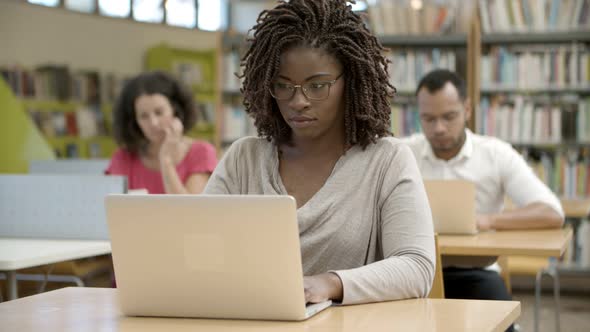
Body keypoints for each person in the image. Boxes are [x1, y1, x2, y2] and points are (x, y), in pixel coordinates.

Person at [203, 0, 435, 305]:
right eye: (283, 86)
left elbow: (416, 268)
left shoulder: (387, 160)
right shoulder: (243, 159)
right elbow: (198, 247)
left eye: (317, 86)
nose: (298, 101)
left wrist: (331, 283)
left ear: (349, 81)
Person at [402, 69, 564, 329]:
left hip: (477, 273)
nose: (439, 128)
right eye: (428, 119)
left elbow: (552, 213)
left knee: (500, 322)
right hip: (412, 272)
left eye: (449, 116)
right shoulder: (403, 153)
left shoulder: (496, 154)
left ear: (467, 109)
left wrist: (487, 219)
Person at [106, 71, 217, 194]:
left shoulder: (201, 152)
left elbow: (189, 210)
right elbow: (113, 208)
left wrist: (166, 160)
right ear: (134, 121)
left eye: (159, 112)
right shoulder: (123, 158)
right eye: (143, 116)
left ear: (175, 111)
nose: (153, 123)